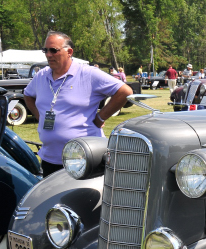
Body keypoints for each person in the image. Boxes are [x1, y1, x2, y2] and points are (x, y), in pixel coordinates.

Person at [23, 31, 133, 177]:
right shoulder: (41, 75)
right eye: (46, 50)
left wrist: (100, 118)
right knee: (52, 199)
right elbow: (28, 94)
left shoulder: (88, 74)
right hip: (50, 159)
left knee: (86, 200)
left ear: (69, 52)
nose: (48, 55)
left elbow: (125, 91)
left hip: (83, 159)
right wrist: (40, 116)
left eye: (53, 50)